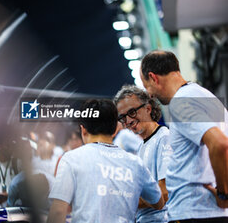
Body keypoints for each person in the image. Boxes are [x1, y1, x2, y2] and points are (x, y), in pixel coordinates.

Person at [140, 50, 228, 222]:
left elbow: (220, 144)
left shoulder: (182, 101)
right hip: (207, 212)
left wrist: (224, 194)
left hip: (194, 211)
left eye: (147, 86)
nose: (150, 95)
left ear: (154, 77)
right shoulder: (205, 96)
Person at [47, 99, 164, 223]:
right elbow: (159, 202)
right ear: (115, 130)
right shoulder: (135, 163)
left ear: (83, 130)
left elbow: (58, 211)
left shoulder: (71, 159)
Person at [115, 85, 173, 223]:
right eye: (123, 117)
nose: (128, 120)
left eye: (132, 112)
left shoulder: (164, 138)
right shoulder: (142, 146)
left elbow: (164, 193)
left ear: (148, 108)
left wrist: (125, 200)